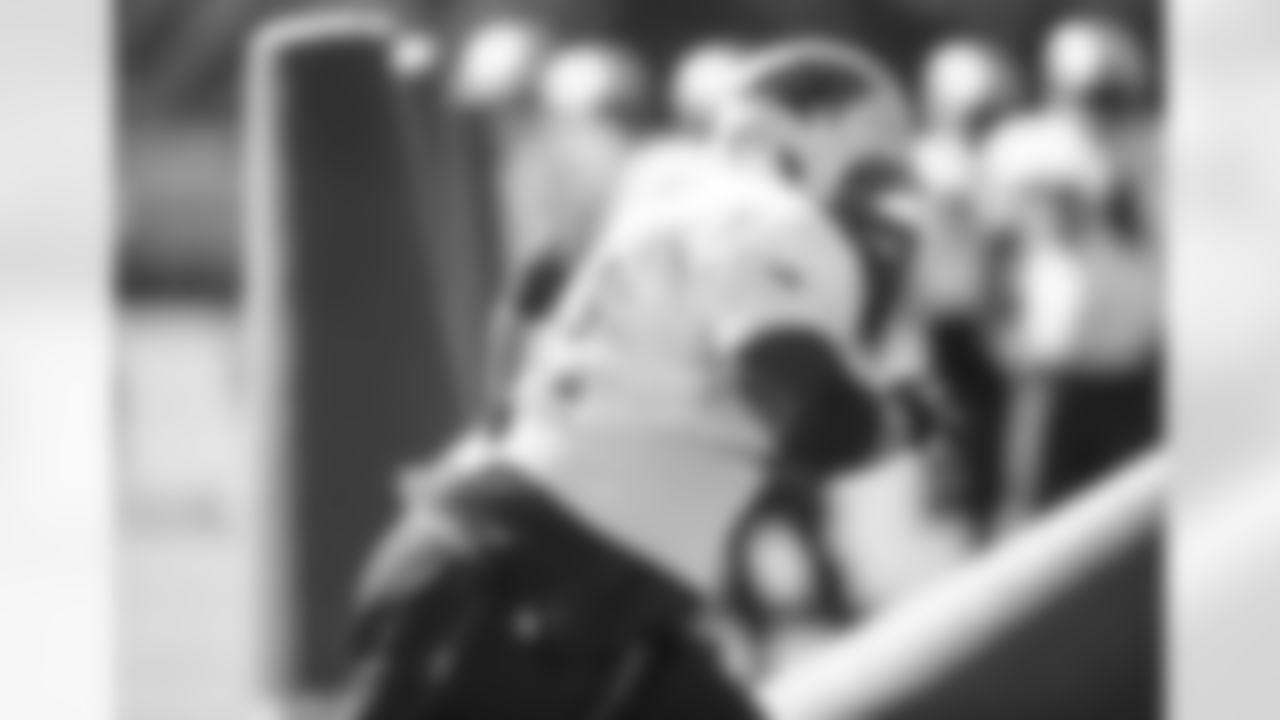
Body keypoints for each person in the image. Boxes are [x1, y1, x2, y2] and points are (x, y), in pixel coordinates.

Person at [339, 40, 936, 719]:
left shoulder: (657, 191)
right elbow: (819, 422)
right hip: (511, 602)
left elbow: (526, 301)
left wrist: (519, 423)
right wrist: (909, 416)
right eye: (866, 183)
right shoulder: (768, 223)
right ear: (797, 156)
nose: (874, 215)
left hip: (578, 605)